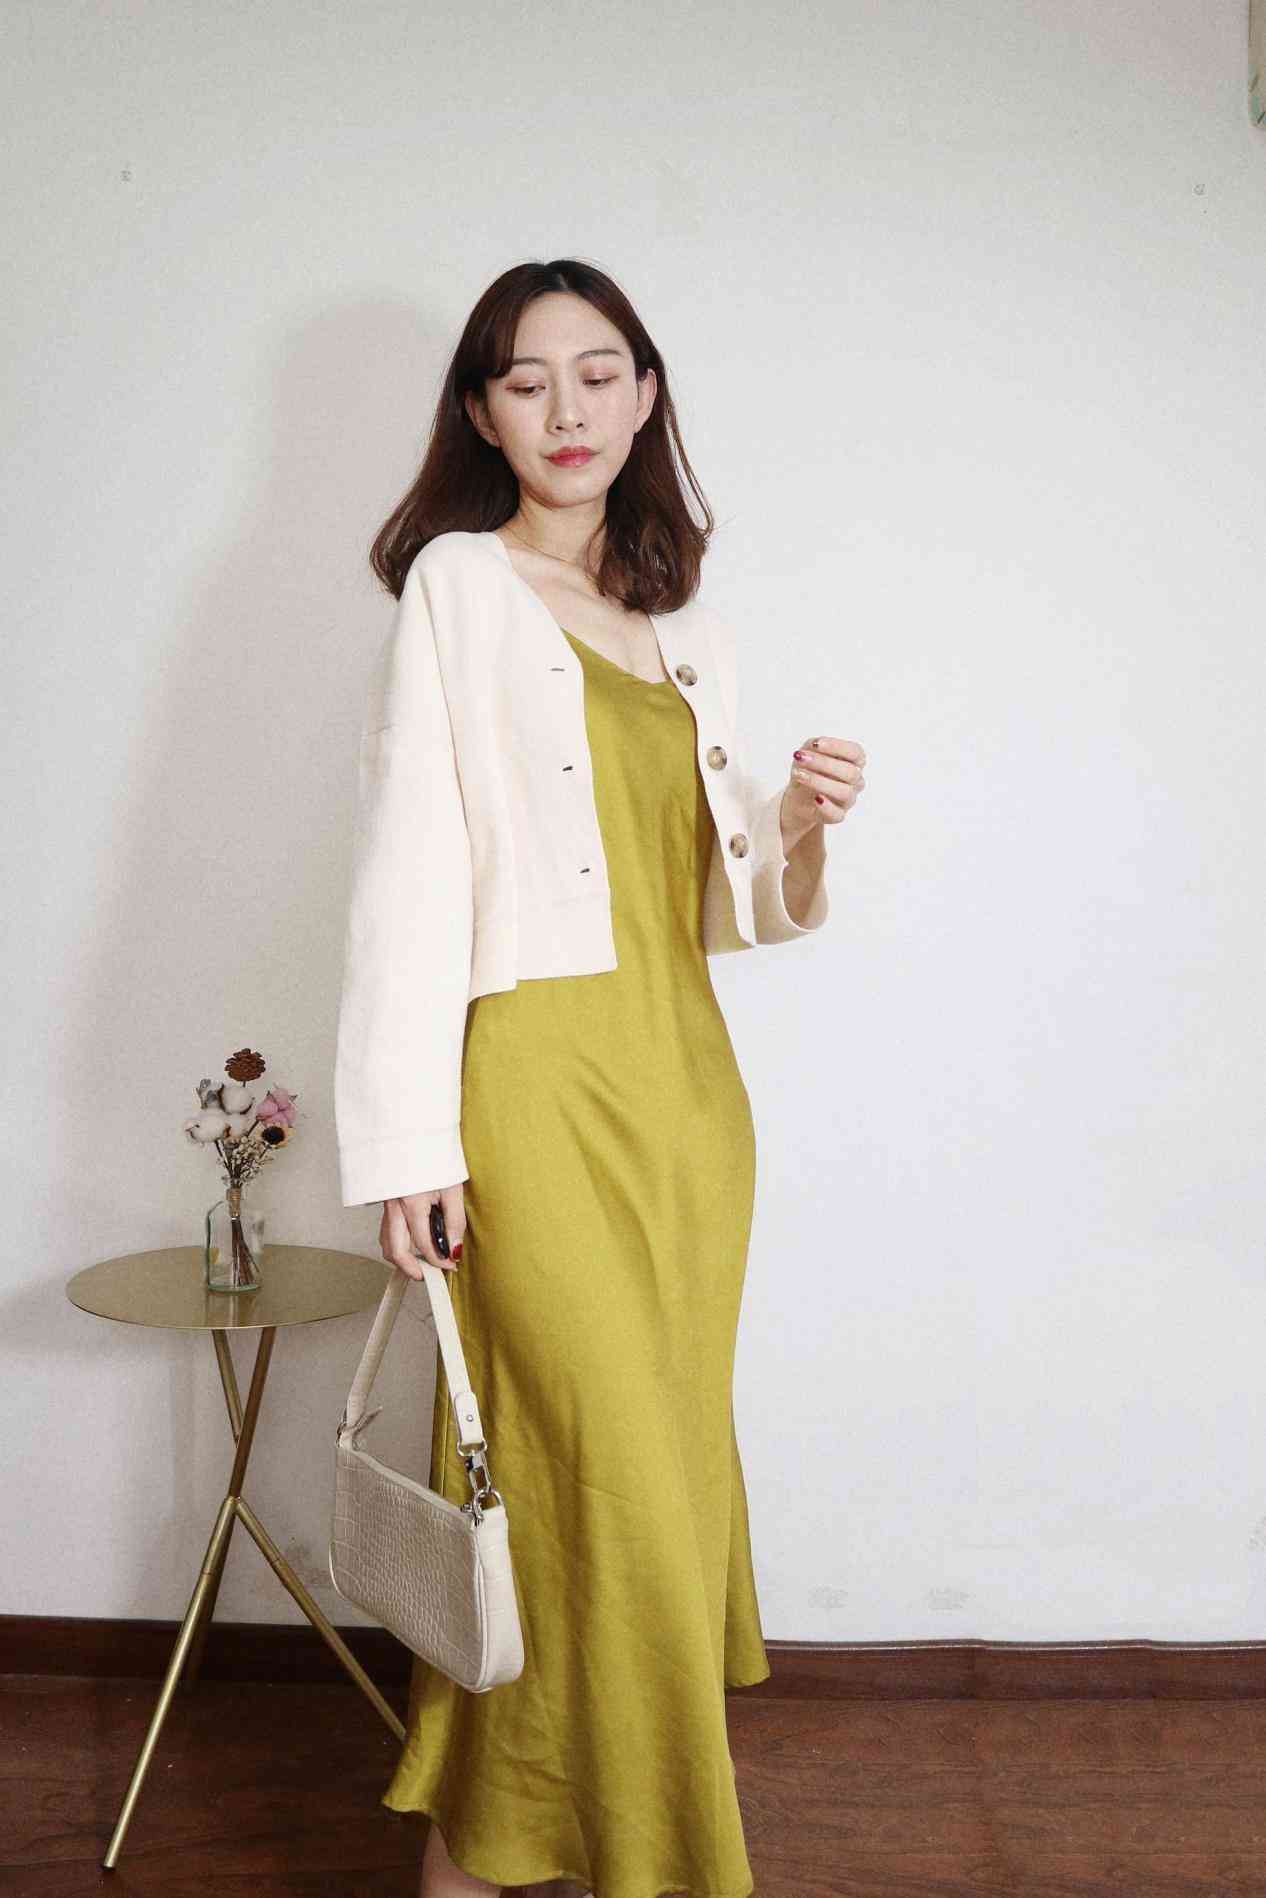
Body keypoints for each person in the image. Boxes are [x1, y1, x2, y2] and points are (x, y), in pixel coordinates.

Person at [333, 256, 867, 1898]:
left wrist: (790, 831)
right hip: (535, 1088)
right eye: (524, 380)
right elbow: (410, 870)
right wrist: (407, 1144)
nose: (565, 409)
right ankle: (594, 1857)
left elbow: (691, 904)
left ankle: (511, 1850)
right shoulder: (459, 585)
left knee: (637, 1488)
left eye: (596, 372)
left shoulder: (678, 624)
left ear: (644, 396)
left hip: (687, 1099)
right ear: (482, 414)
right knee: (587, 1483)